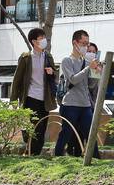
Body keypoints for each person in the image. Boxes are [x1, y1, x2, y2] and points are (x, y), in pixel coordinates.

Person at [9, 27, 57, 155]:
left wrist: (52, 73)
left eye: (44, 38)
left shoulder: (48, 56)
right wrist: (13, 101)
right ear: (34, 41)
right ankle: (31, 152)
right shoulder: (26, 58)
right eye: (41, 39)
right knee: (35, 126)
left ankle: (33, 152)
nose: (44, 41)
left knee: (43, 126)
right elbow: (17, 80)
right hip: (31, 97)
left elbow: (54, 75)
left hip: (45, 98)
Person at [57, 31, 98, 157]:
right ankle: (57, 156)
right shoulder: (66, 61)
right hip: (70, 104)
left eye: (87, 44)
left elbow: (90, 84)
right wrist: (87, 68)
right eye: (84, 43)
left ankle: (96, 158)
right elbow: (73, 79)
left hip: (85, 104)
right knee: (66, 133)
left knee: (90, 134)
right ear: (75, 43)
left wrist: (96, 72)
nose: (86, 47)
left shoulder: (86, 62)